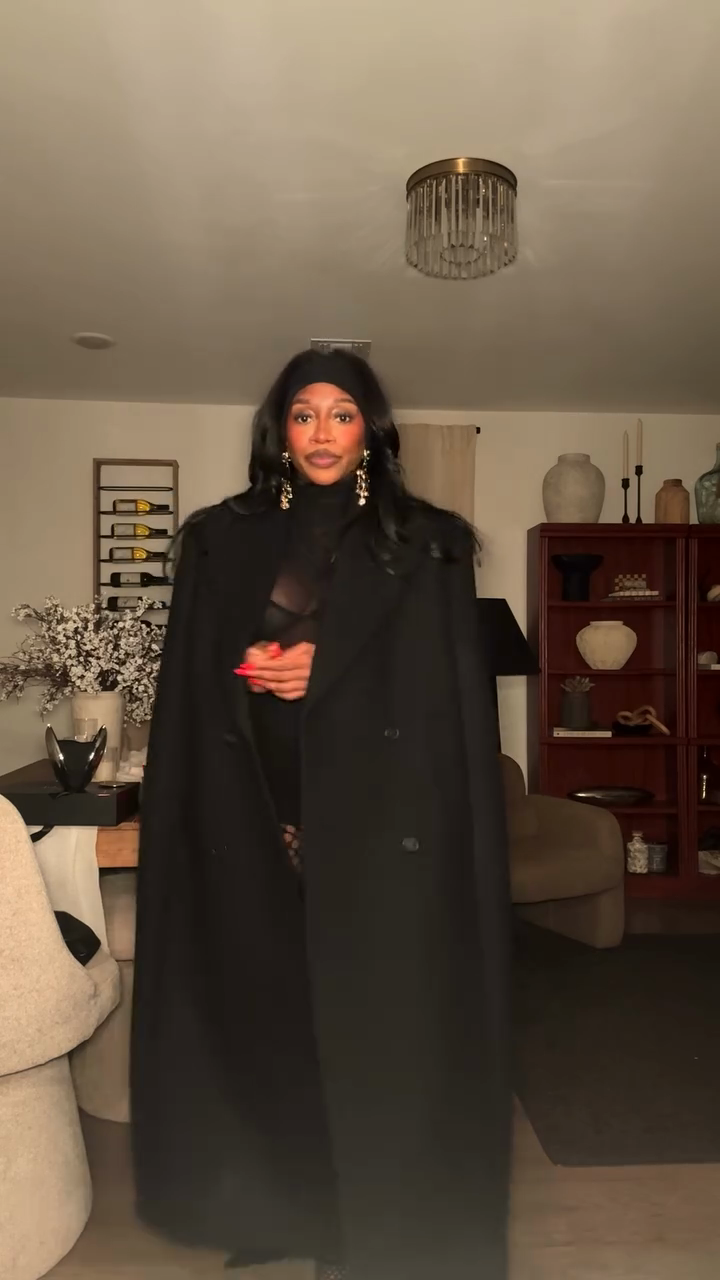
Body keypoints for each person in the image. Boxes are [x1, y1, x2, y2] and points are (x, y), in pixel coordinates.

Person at [131, 349, 511, 1280]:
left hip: (381, 822)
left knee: (374, 1032)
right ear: (281, 429)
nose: (323, 433)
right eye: (305, 414)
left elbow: (441, 694)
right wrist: (257, 669)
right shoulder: (222, 538)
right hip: (257, 811)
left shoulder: (427, 542)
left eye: (343, 414)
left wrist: (327, 664)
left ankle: (372, 1225)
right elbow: (200, 672)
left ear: (370, 431)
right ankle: (284, 1209)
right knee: (273, 1019)